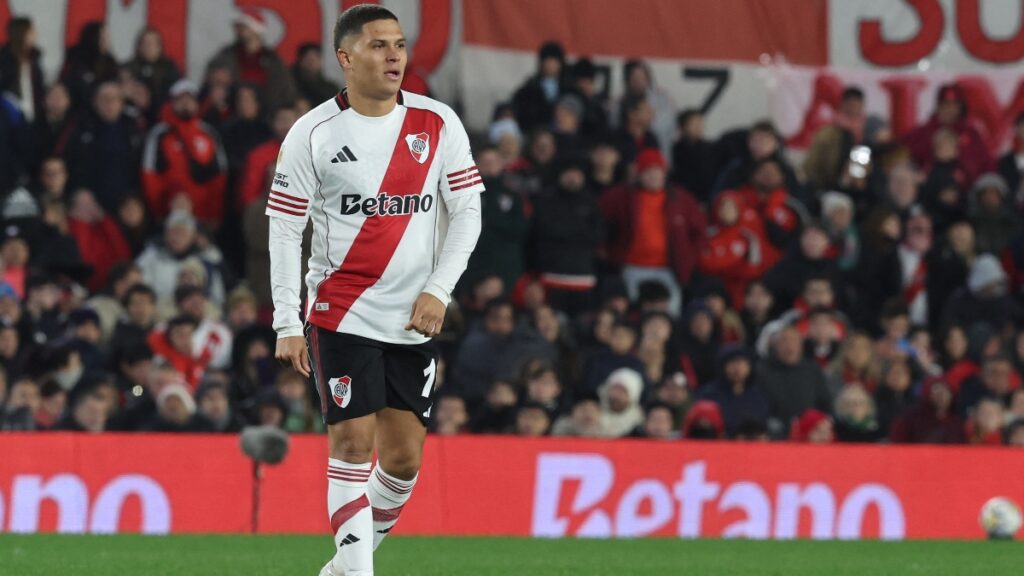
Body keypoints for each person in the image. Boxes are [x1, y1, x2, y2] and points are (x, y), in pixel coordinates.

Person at [267, 7, 483, 575]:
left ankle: (341, 568)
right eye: (379, 45)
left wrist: (439, 290)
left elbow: (467, 213)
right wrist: (288, 321)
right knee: (353, 447)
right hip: (341, 311)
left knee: (405, 460)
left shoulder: (438, 123)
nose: (394, 56)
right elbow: (285, 226)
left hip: (414, 317)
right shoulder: (313, 133)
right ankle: (358, 572)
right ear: (346, 58)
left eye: (400, 45)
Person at [600, 148, 706, 316]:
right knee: (633, 314)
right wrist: (607, 250)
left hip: (668, 269)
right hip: (632, 267)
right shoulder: (622, 196)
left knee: (669, 315)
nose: (653, 176)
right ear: (640, 174)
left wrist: (689, 257)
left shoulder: (681, 199)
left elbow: (699, 231)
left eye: (657, 171)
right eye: (648, 171)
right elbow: (601, 222)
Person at [141, 80, 229, 226]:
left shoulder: (208, 133)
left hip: (203, 215)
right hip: (169, 215)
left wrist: (214, 213)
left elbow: (218, 177)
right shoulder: (159, 134)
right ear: (172, 103)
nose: (185, 103)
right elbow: (150, 176)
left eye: (190, 99)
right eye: (180, 99)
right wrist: (158, 212)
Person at [206, 7, 297, 114]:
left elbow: (286, 90)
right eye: (238, 27)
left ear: (256, 29)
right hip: (232, 113)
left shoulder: (273, 60)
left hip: (267, 115)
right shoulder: (225, 56)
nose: (239, 30)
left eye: (244, 26)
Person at [124, 27, 181, 118]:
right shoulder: (128, 68)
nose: (149, 47)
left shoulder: (169, 68)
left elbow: (175, 93)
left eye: (152, 43)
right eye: (145, 43)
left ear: (159, 47)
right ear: (139, 46)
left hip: (162, 115)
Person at [0, 17, 45, 122]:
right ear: (21, 33)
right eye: (32, 30)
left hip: (33, 116)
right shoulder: (5, 59)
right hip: (10, 116)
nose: (36, 34)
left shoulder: (34, 59)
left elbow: (38, 88)